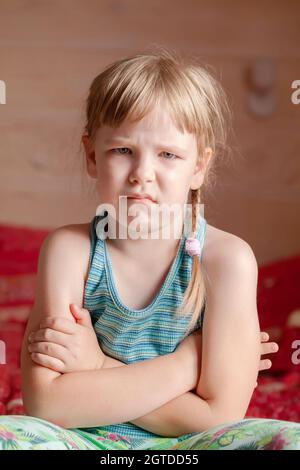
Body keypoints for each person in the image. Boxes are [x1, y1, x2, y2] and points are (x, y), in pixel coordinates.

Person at [1, 48, 299, 450]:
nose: (142, 174)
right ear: (92, 156)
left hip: (195, 446)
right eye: (123, 150)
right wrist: (188, 364)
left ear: (199, 167)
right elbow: (48, 404)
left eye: (168, 155)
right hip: (81, 440)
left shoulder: (226, 261)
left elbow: (220, 419)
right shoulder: (70, 252)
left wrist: (96, 367)